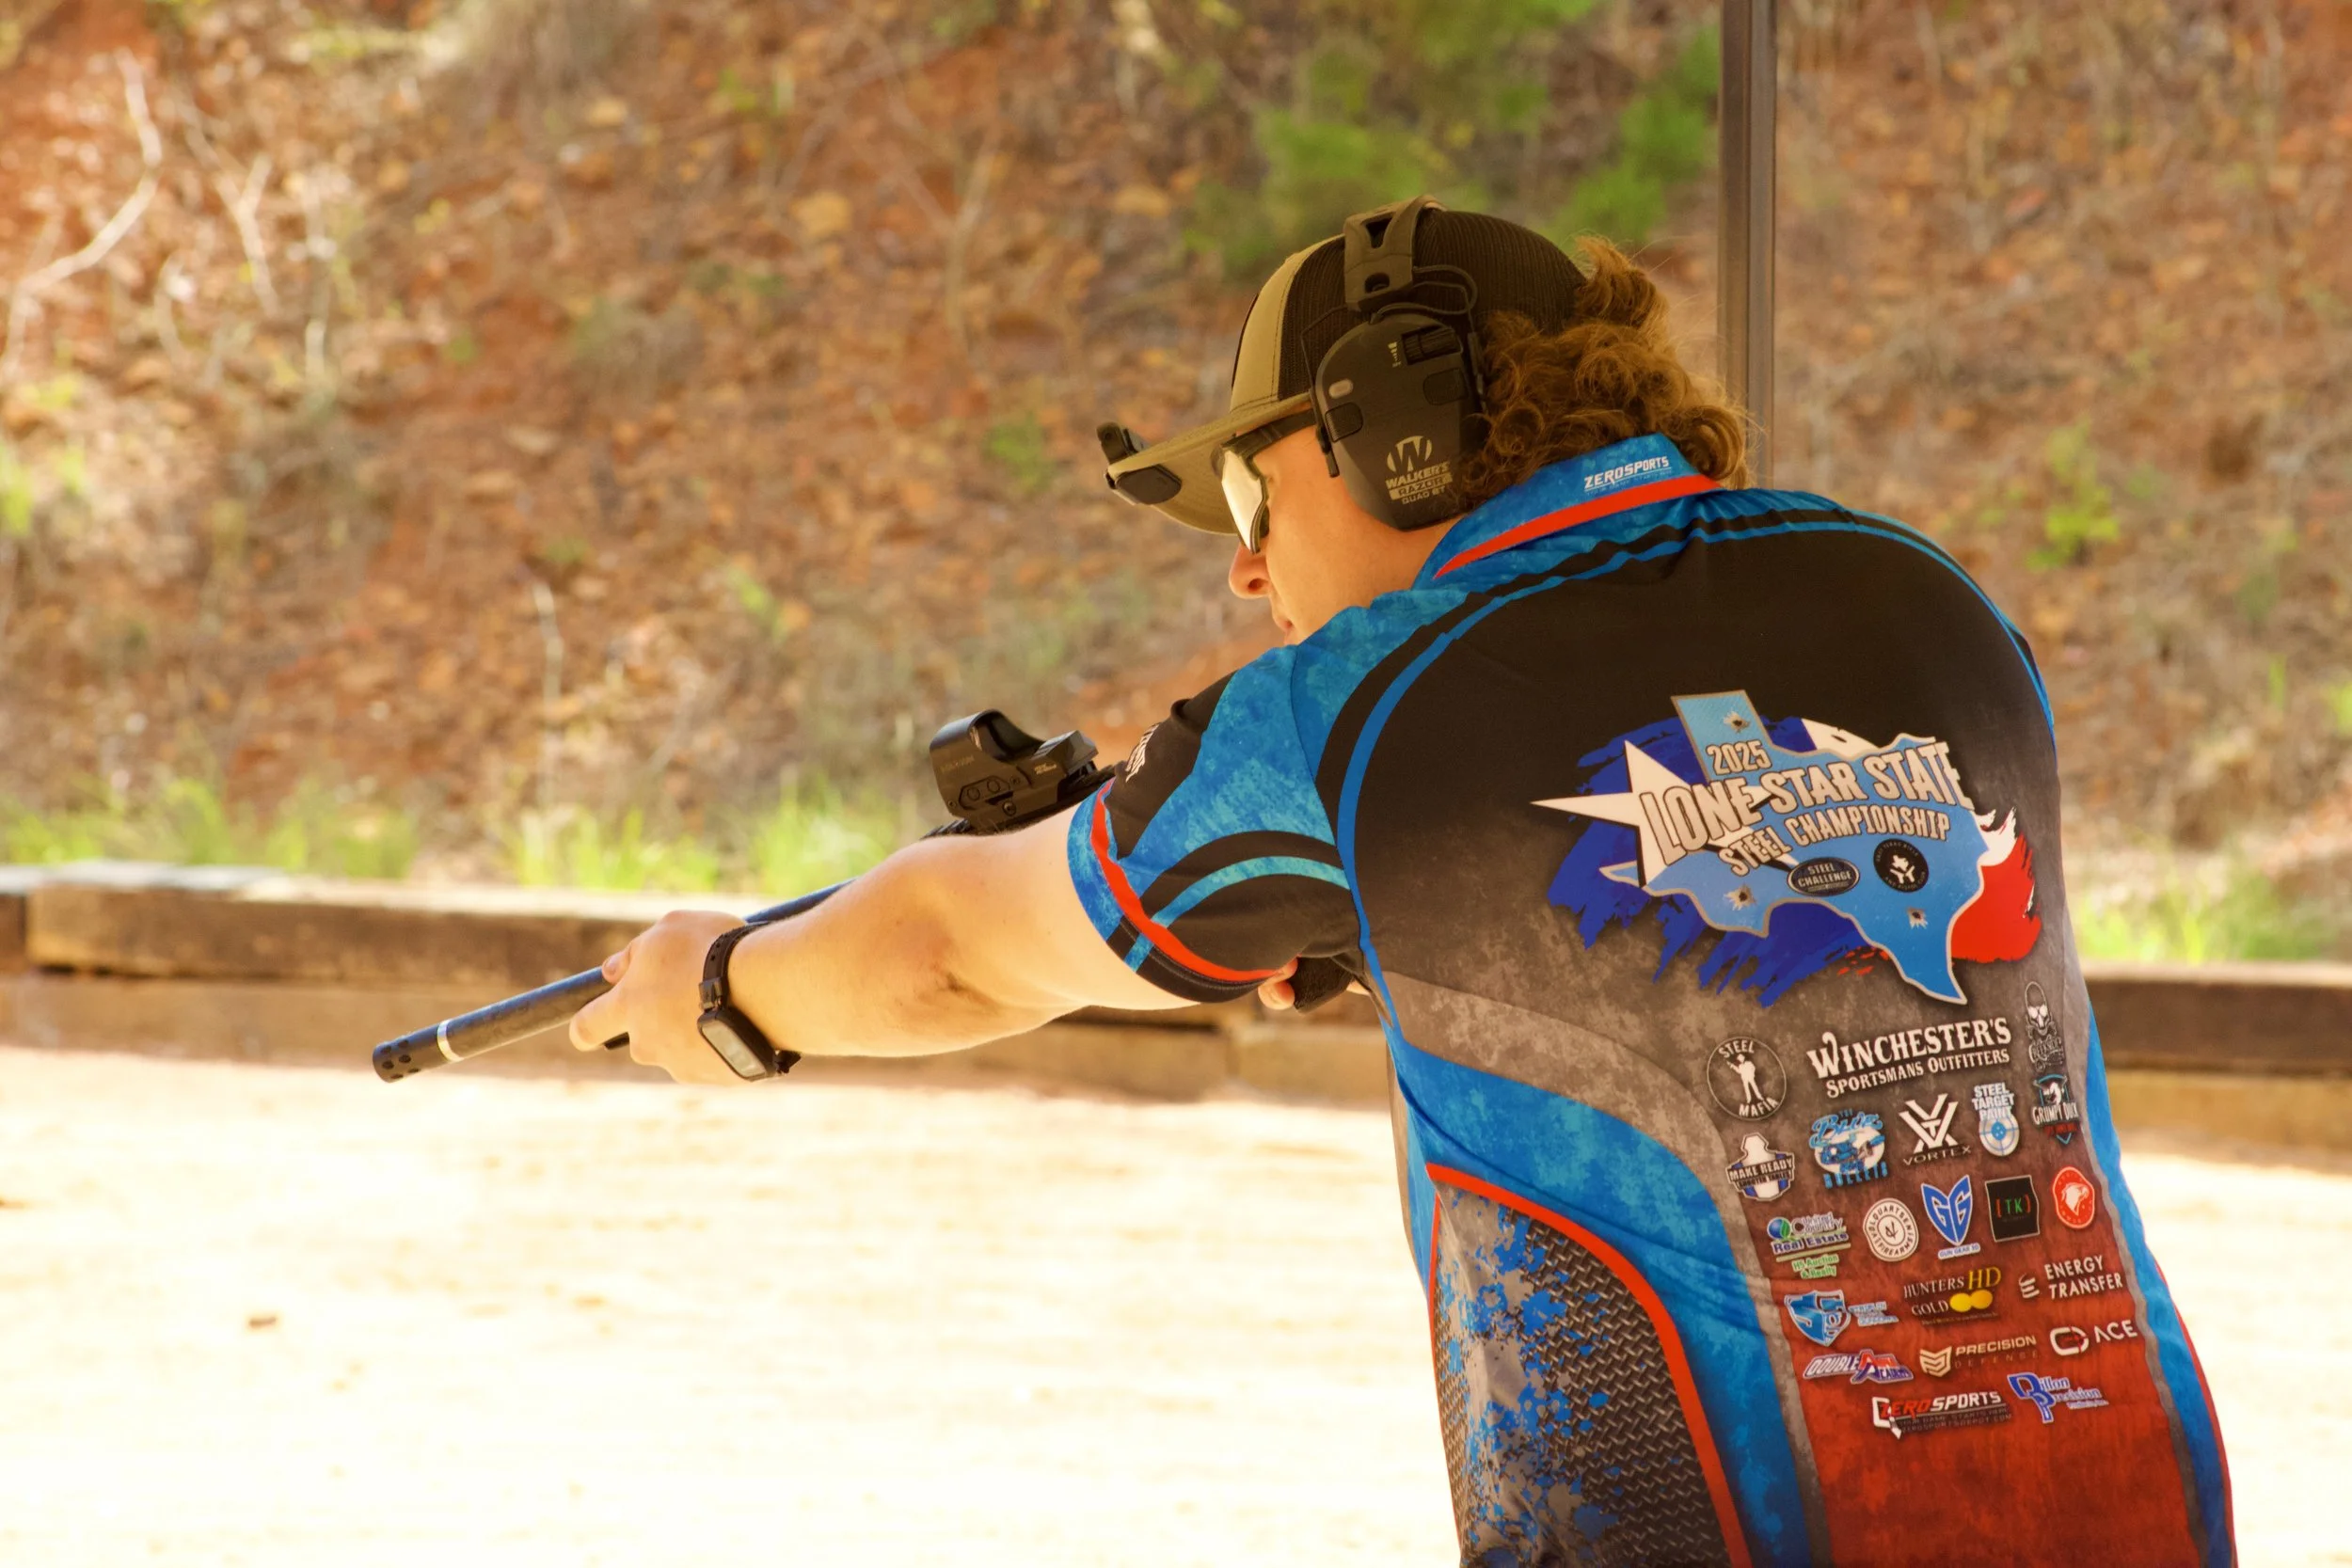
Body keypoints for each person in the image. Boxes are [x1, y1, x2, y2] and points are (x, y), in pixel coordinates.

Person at [573, 199, 2233, 1566]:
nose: (1245, 564)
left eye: (1251, 487)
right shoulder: (1932, 597)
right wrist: (1384, 929)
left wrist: (720, 986)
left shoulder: (1352, 705)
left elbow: (951, 947)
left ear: (1394, 428)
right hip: (2139, 1510)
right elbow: (1782, 932)